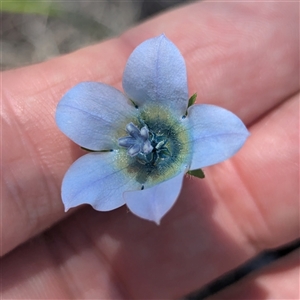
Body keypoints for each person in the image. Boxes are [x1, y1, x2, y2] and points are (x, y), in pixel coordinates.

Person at [2, 1, 299, 299]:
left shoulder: (208, 130)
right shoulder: (116, 181)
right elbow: (76, 115)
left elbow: (224, 133)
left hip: (168, 166)